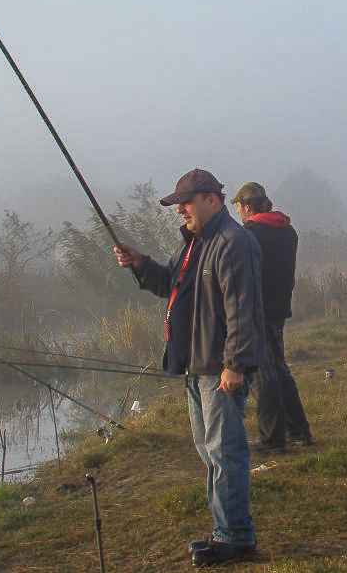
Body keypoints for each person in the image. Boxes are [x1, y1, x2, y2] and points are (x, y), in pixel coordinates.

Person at [113, 168, 264, 567]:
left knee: (225, 451)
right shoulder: (194, 244)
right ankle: (224, 531)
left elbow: (242, 309)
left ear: (212, 200)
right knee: (210, 453)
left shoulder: (233, 242)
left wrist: (235, 365)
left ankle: (236, 536)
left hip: (220, 369)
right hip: (195, 367)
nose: (179, 210)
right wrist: (140, 263)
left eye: (186, 202)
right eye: (177, 204)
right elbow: (169, 283)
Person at [231, 182, 313, 451]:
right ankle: (298, 430)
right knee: (280, 368)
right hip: (279, 307)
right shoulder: (287, 230)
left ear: (246, 206)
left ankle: (272, 437)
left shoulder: (251, 232)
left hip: (258, 309)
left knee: (263, 372)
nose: (239, 213)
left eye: (239, 208)